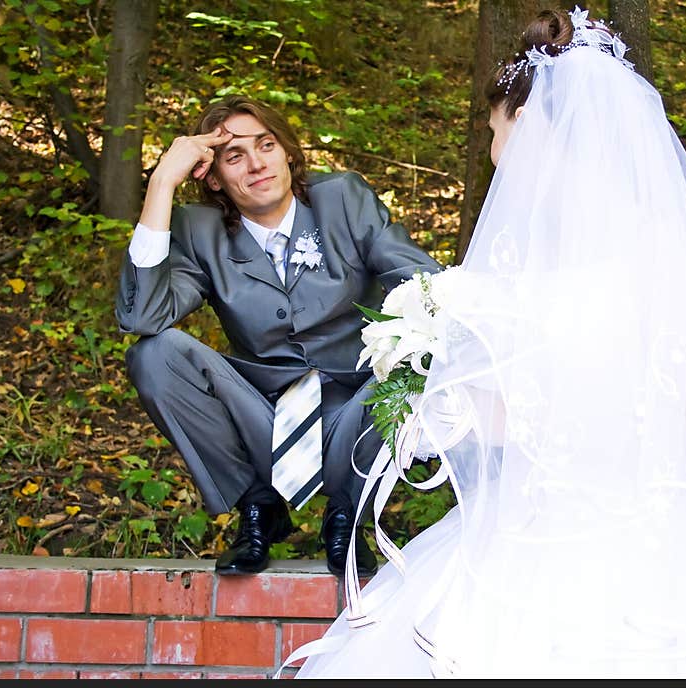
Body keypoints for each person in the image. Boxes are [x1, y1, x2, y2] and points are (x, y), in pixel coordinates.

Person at [287, 8, 686, 677]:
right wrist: (445, 408)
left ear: (532, 126)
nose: (493, 149)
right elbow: (679, 428)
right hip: (599, 537)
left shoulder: (601, 264)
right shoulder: (604, 260)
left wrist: (498, 417)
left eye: (494, 130)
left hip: (587, 550)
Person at [115, 95, 441, 577]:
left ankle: (348, 513)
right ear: (214, 177)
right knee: (154, 353)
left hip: (359, 402)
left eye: (265, 145)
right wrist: (161, 183)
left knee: (426, 349)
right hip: (264, 415)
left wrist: (424, 331)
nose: (255, 164)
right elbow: (144, 316)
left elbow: (419, 282)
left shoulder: (343, 198)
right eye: (234, 156)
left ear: (287, 150)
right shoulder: (198, 230)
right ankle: (259, 506)